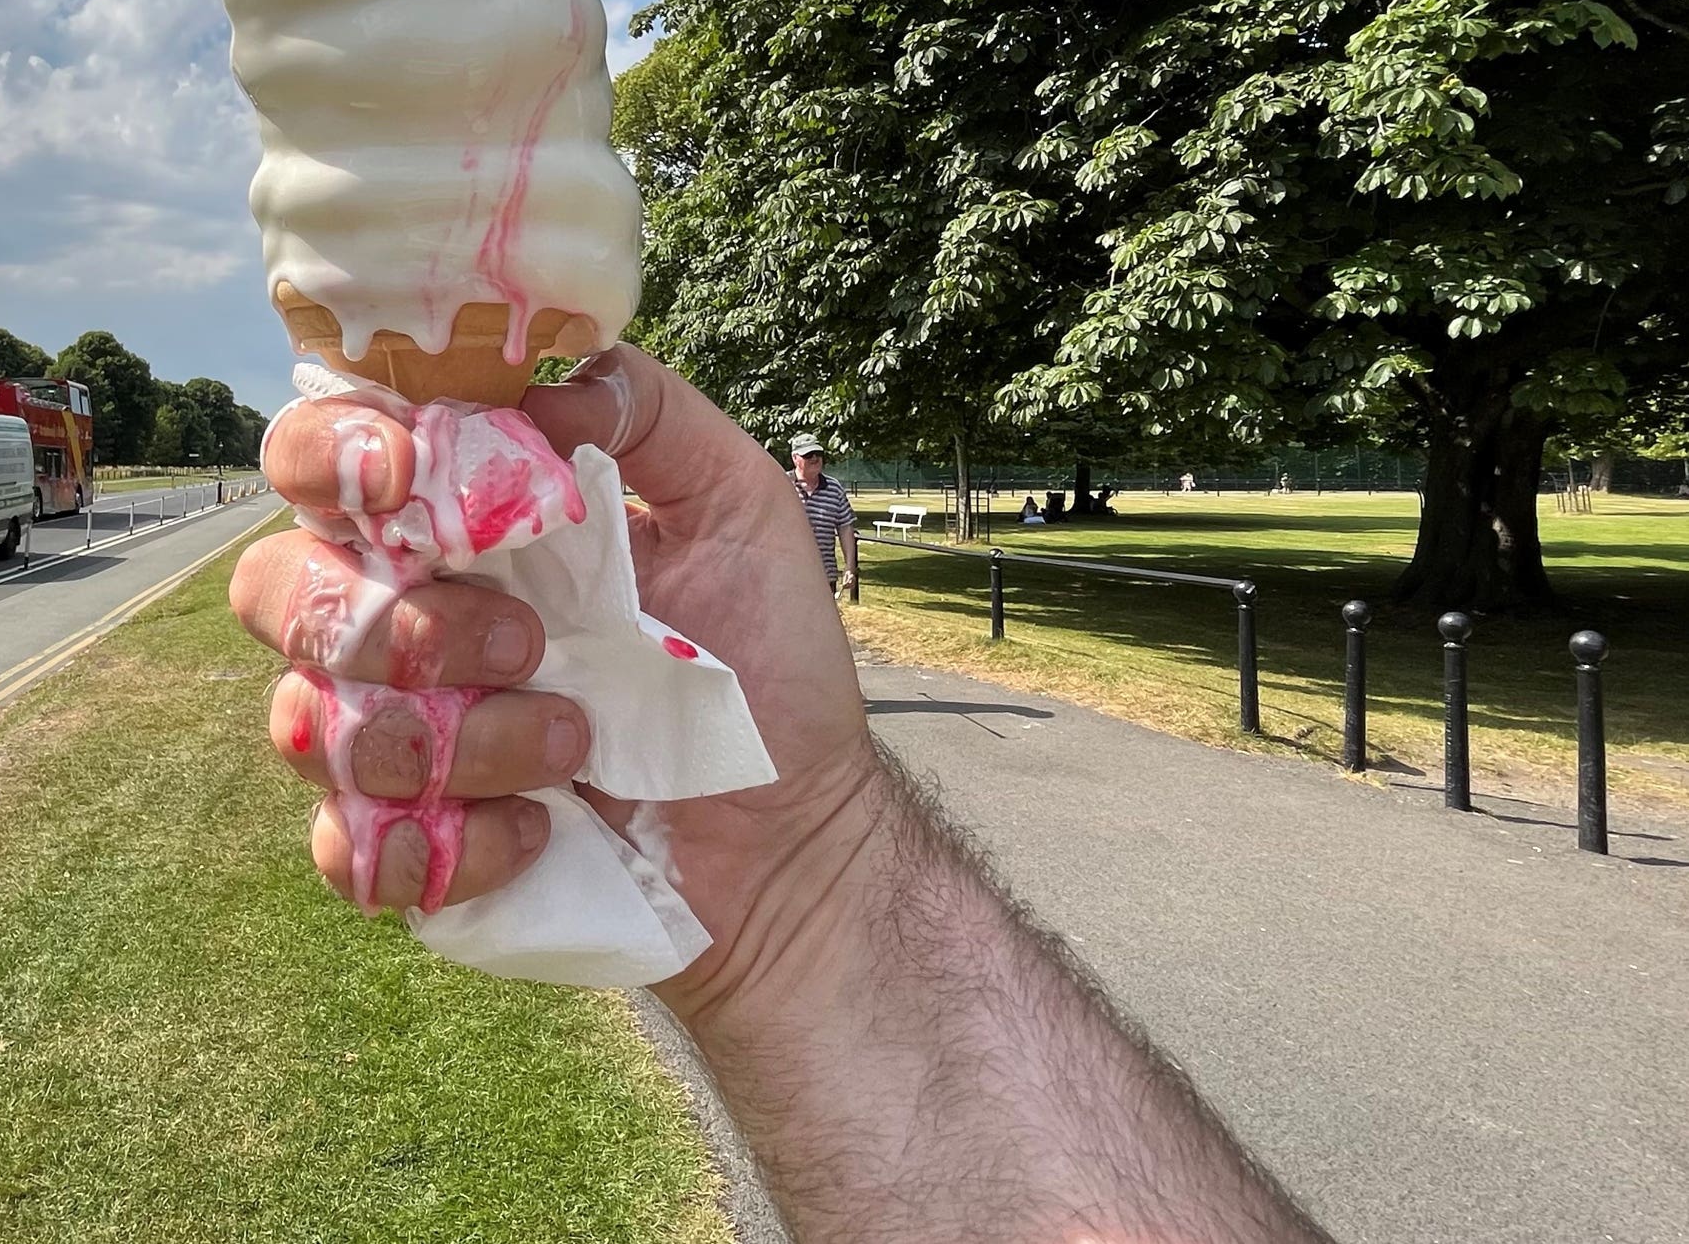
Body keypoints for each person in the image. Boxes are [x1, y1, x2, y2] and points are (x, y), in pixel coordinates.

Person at [236, 348, 1328, 1243]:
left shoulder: (826, 499)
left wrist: (813, 828)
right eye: (799, 454)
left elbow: (835, 538)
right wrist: (794, 884)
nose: (803, 463)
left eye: (807, 455)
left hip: (793, 636)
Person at [786, 433, 857, 599]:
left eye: (818, 454)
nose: (815, 459)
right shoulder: (781, 484)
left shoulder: (834, 488)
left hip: (824, 577)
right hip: (787, 576)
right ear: (795, 458)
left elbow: (846, 528)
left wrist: (849, 568)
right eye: (808, 455)